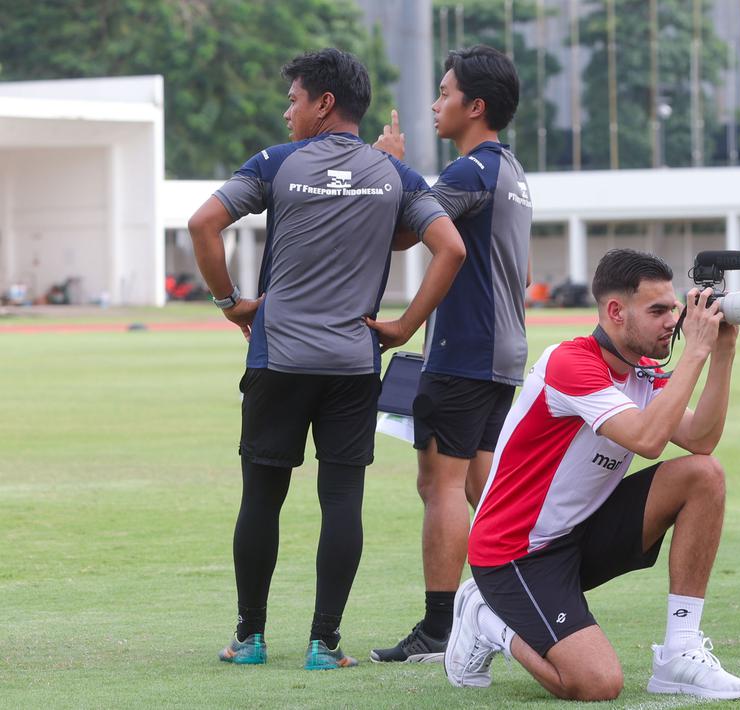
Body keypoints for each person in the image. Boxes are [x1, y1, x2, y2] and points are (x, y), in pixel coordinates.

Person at [188, 47, 466, 671]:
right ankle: (324, 644)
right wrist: (403, 325)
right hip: (351, 363)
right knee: (343, 500)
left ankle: (251, 638)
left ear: (324, 104)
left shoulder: (276, 163)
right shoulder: (394, 174)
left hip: (277, 357)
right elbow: (450, 248)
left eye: (293, 100)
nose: (287, 112)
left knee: (262, 496)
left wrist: (230, 302)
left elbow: (203, 223)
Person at [441, 249, 740, 701]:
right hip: (515, 553)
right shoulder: (571, 364)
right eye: (658, 311)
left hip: (578, 533)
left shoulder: (642, 371)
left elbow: (701, 440)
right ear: (615, 312)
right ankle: (486, 618)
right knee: (596, 683)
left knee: (704, 474)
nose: (672, 320)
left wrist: (722, 354)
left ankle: (680, 653)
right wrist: (697, 352)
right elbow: (648, 440)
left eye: (673, 308)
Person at [367, 45, 533, 664]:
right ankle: (522, 597)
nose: (435, 104)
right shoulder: (510, 171)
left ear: (475, 105)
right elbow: (416, 234)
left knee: (439, 483)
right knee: (482, 486)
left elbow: (409, 233)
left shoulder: (470, 172)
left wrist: (386, 172)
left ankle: (439, 629)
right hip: (501, 353)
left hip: (463, 352)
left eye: (444, 93)